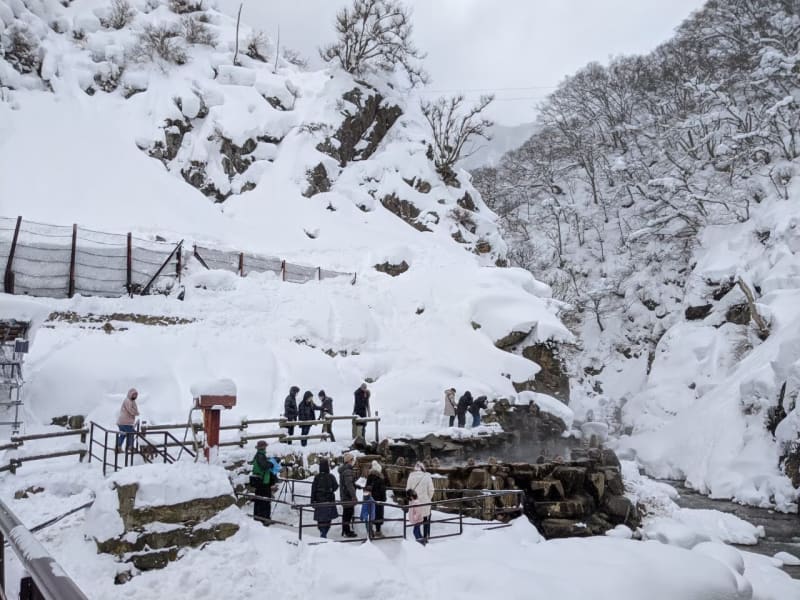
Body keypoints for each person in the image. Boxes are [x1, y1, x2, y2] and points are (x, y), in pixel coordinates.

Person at [250, 440, 279, 524]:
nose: (265, 448)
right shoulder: (260, 455)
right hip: (263, 482)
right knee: (265, 501)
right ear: (263, 447)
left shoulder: (259, 455)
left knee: (259, 501)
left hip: (260, 481)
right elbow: (264, 466)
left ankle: (258, 518)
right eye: (265, 447)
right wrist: (272, 463)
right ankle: (265, 519)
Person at [310, 457, 339, 538]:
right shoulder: (331, 476)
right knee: (328, 519)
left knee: (320, 519)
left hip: (319, 501)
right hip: (329, 500)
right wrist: (330, 489)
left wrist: (312, 501)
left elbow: (313, 489)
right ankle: (324, 532)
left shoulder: (317, 477)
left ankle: (322, 532)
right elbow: (336, 487)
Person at [406, 461, 434, 541]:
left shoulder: (411, 476)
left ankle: (418, 538)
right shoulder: (427, 476)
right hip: (425, 502)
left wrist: (412, 500)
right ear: (422, 468)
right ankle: (425, 537)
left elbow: (408, 490)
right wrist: (428, 499)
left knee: (417, 520)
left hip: (415, 502)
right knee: (425, 520)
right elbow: (431, 490)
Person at [338, 453, 358, 537]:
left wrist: (357, 485)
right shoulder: (347, 471)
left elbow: (349, 483)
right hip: (348, 496)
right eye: (352, 459)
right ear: (349, 461)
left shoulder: (345, 470)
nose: (354, 461)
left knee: (347, 514)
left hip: (345, 495)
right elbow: (349, 484)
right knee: (348, 514)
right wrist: (354, 496)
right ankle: (347, 531)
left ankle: (345, 530)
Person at [365, 459, 387, 537]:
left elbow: (366, 488)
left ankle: (370, 531)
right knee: (378, 515)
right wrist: (384, 499)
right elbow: (382, 491)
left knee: (371, 514)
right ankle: (378, 531)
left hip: (370, 499)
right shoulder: (380, 479)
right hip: (378, 500)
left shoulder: (369, 477)